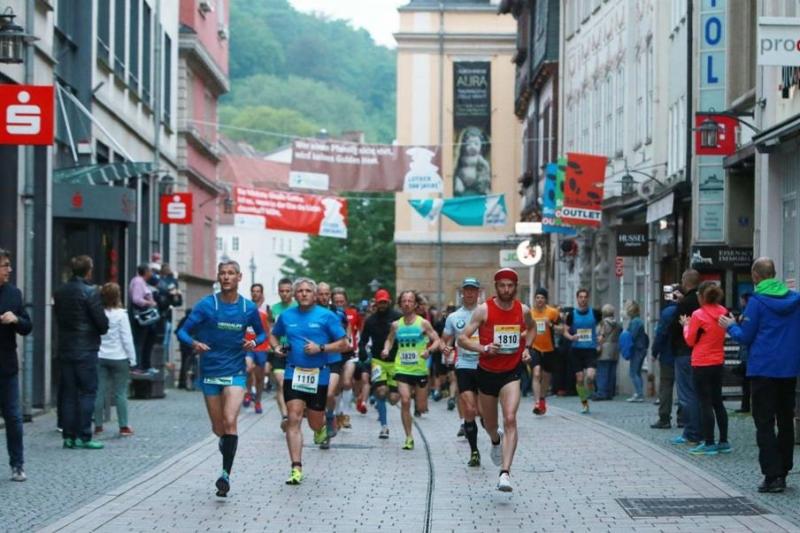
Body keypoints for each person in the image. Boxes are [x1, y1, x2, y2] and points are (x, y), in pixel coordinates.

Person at [176, 261, 266, 497]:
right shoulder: (207, 305)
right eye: (223, 273)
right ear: (218, 277)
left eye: (231, 273)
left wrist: (253, 342)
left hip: (235, 371)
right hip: (210, 372)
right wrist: (194, 343)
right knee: (219, 428)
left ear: (239, 277)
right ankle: (225, 443)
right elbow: (182, 331)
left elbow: (262, 333)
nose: (226, 277)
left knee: (230, 420)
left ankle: (225, 475)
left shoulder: (247, 308)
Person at [720, 257, 800, 493]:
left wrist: (730, 325)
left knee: (764, 422)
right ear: (773, 274)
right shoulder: (795, 299)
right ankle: (784, 469)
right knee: (785, 420)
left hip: (763, 369)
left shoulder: (756, 302)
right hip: (788, 368)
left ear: (755, 276)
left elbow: (745, 337)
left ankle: (771, 475)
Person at [458, 268, 535, 492]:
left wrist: (527, 348)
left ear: (515, 287)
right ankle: (495, 440)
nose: (506, 289)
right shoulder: (484, 310)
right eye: (502, 285)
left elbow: (532, 329)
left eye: (510, 286)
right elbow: (462, 339)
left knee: (510, 418)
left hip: (511, 373)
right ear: (496, 287)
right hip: (487, 372)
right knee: (490, 424)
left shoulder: (523, 310)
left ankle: (505, 473)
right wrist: (484, 348)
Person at [268, 278, 348, 485]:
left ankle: (321, 429)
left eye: (308, 291)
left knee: (314, 423)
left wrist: (321, 348)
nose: (303, 294)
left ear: (315, 295)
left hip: (318, 375)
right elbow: (273, 335)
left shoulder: (327, 316)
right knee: (293, 418)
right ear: (295, 295)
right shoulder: (286, 316)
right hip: (293, 373)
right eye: (300, 291)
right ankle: (296, 467)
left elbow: (344, 343)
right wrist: (276, 348)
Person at [53, 255, 109, 450]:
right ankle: (84, 435)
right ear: (88, 271)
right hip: (86, 349)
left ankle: (68, 436)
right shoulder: (90, 292)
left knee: (69, 394)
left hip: (66, 347)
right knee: (87, 392)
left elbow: (59, 318)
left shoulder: (60, 292)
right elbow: (102, 323)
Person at [382, 290, 442, 450]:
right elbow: (389, 340)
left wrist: (429, 351)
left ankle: (418, 399)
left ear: (415, 304)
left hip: (420, 369)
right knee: (405, 401)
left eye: (410, 301)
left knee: (421, 407)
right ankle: (409, 437)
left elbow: (437, 340)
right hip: (402, 368)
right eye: (404, 301)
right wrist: (386, 349)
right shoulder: (396, 325)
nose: (407, 304)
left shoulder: (423, 323)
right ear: (400, 304)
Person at [680, 281, 731, 457]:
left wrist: (685, 325)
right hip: (718, 361)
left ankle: (709, 442)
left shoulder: (698, 315)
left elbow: (690, 340)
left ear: (701, 296)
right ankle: (723, 441)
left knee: (705, 402)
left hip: (701, 362)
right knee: (718, 401)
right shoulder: (723, 311)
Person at [442, 277, 482, 466]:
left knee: (484, 413)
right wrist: (446, 347)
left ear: (478, 292)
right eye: (467, 290)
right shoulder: (454, 317)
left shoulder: (486, 313)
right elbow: (445, 340)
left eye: (473, 290)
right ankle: (474, 452)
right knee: (470, 409)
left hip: (485, 364)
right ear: (462, 293)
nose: (470, 293)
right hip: (464, 364)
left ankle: (494, 437)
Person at [0, 249, 32, 481]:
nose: (9, 270)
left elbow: (27, 326)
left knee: (13, 417)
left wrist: (16, 319)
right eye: (5, 265)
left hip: (7, 366)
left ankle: (17, 464)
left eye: (9, 265)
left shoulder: (14, 293)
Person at [94, 283, 136, 437]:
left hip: (100, 355)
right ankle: (123, 426)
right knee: (120, 393)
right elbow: (126, 338)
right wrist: (132, 358)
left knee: (99, 391)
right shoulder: (121, 315)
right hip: (119, 357)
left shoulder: (98, 313)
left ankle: (98, 426)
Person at [359, 289, 401, 439]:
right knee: (381, 391)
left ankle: (387, 392)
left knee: (394, 399)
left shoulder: (397, 317)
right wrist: (362, 350)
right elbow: (363, 340)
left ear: (388, 302)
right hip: (378, 360)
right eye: (379, 302)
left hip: (396, 360)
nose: (382, 305)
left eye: (384, 302)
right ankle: (384, 426)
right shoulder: (370, 321)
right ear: (376, 303)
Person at [669, 270, 703, 446]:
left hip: (684, 351)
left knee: (687, 395)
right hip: (701, 352)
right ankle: (698, 431)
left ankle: (692, 432)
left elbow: (674, 327)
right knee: (698, 393)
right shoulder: (702, 301)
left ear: (685, 281)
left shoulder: (684, 304)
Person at [316, 282, 351, 448]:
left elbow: (346, 330)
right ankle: (324, 434)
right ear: (316, 295)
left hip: (334, 358)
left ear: (330, 295)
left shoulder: (338, 313)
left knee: (329, 394)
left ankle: (330, 418)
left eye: (326, 294)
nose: (324, 297)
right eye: (320, 294)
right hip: (315, 360)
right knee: (318, 399)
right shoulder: (310, 312)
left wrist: (346, 340)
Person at [563, 289, 602, 414]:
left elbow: (602, 326)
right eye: (581, 297)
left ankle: (590, 391)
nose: (583, 299)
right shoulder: (571, 315)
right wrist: (571, 337)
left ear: (588, 298)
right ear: (577, 299)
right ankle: (584, 404)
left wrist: (601, 336)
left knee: (590, 376)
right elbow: (565, 331)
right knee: (579, 379)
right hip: (576, 350)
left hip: (590, 349)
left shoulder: (595, 313)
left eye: (585, 297)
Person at [650, 285, 683, 429]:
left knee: (666, 386)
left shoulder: (667, 312)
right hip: (684, 353)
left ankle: (664, 418)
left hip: (668, 354)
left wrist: (654, 351)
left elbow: (661, 334)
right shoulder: (688, 309)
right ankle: (683, 418)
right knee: (683, 387)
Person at [268, 278, 296, 431]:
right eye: (282, 291)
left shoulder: (298, 306)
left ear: (292, 292)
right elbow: (271, 329)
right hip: (280, 348)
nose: (284, 294)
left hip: (295, 349)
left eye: (287, 291)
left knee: (291, 385)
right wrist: (274, 346)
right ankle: (285, 416)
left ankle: (294, 412)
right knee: (281, 383)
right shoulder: (274, 308)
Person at [529, 287, 561, 414]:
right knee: (536, 373)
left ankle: (542, 399)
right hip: (534, 347)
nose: (539, 300)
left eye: (542, 297)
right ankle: (537, 402)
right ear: (535, 299)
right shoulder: (530, 313)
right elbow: (525, 329)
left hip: (549, 348)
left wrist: (551, 324)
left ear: (546, 299)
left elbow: (562, 328)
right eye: (537, 297)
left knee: (547, 376)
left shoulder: (552, 312)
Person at [243, 283, 270, 414]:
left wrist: (272, 345)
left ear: (261, 293)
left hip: (262, 347)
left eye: (258, 291)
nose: (255, 293)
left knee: (260, 378)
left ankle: (258, 401)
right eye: (253, 291)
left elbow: (270, 329)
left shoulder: (266, 309)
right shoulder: (246, 307)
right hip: (248, 345)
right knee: (248, 369)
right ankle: (248, 393)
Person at [333, 288, 357, 431]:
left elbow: (354, 333)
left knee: (347, 382)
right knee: (336, 387)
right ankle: (337, 414)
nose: (339, 304)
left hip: (349, 354)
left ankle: (346, 414)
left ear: (346, 302)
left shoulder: (352, 315)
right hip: (335, 354)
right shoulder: (329, 315)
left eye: (341, 301)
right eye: (336, 302)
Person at [129, 264, 158, 374]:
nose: (152, 273)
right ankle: (137, 366)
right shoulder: (138, 282)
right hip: (141, 317)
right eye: (150, 271)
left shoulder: (142, 282)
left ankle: (145, 365)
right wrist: (150, 303)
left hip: (146, 317)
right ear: (145, 272)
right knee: (140, 341)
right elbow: (136, 299)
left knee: (147, 340)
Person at [594, 304, 620, 401]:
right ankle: (610, 392)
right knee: (612, 372)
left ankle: (602, 392)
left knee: (602, 371)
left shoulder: (603, 323)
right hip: (614, 349)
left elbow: (598, 334)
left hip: (604, 349)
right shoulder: (617, 323)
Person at [624, 301, 648, 403]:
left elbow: (632, 336)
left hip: (637, 349)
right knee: (637, 372)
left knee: (633, 372)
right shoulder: (638, 321)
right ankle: (639, 393)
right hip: (641, 349)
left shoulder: (635, 322)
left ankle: (639, 394)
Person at [734, 292, 752, 414]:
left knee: (746, 383)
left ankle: (745, 406)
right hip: (746, 353)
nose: (740, 302)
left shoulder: (746, 314)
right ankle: (746, 405)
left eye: (741, 300)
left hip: (746, 355)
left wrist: (733, 325)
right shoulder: (747, 312)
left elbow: (743, 335)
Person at [176, 308, 196, 390]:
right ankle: (190, 383)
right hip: (191, 345)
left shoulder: (183, 320)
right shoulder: (193, 321)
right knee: (190, 364)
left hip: (183, 345)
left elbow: (177, 332)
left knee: (184, 363)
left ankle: (182, 383)